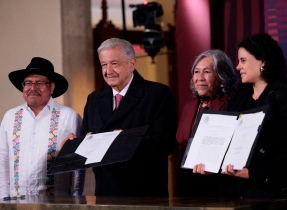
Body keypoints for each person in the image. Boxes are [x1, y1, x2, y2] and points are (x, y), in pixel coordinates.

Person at [79, 38, 177, 196]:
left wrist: (127, 141)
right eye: (104, 64)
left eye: (114, 63)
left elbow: (166, 143)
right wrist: (73, 144)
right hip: (106, 193)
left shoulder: (157, 94)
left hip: (144, 194)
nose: (108, 71)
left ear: (132, 64)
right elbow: (87, 140)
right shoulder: (94, 99)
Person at [221, 33, 287, 209]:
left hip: (275, 193)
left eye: (243, 60)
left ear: (262, 61)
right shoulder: (240, 98)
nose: (237, 66)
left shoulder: (283, 95)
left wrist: (254, 173)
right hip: (241, 193)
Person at [0, 57, 85, 197]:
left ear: (52, 87)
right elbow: (2, 161)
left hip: (58, 203)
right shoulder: (10, 117)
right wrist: (3, 199)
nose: (33, 88)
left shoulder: (69, 116)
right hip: (16, 203)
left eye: (40, 83)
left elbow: (78, 163)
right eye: (28, 83)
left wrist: (76, 197)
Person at [176, 49, 238, 197]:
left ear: (221, 75)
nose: (200, 77)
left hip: (220, 183)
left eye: (207, 72)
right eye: (196, 72)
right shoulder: (189, 106)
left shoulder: (233, 104)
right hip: (189, 182)